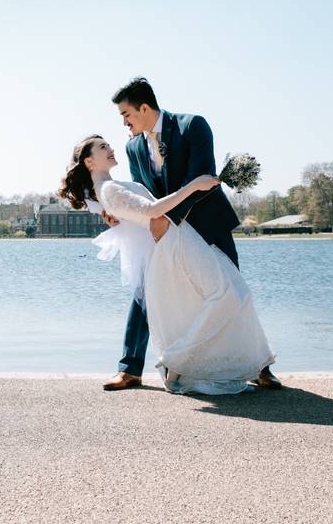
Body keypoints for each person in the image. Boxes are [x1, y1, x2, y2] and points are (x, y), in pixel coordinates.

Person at [61, 134, 277, 394]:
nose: (111, 148)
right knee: (228, 295)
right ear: (88, 162)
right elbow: (153, 211)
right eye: (102, 147)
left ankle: (246, 363)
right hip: (173, 243)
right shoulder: (109, 189)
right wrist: (194, 185)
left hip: (179, 236)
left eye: (108, 144)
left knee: (230, 295)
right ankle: (177, 360)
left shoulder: (108, 188)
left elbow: (133, 209)